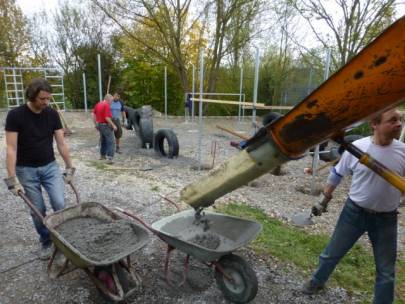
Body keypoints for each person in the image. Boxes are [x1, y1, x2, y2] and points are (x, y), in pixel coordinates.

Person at [302, 108, 405, 304]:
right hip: (354, 213)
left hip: (386, 218)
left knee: (386, 271)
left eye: (399, 120)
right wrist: (324, 199)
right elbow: (337, 173)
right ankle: (317, 281)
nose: (399, 124)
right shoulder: (357, 147)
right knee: (331, 254)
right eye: (392, 120)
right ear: (374, 124)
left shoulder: (403, 151)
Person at [4, 78, 75, 259]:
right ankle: (46, 240)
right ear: (32, 96)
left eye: (48, 99)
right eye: (42, 99)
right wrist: (12, 179)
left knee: (60, 203)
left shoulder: (51, 114)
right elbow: (11, 149)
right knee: (38, 210)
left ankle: (64, 240)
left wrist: (69, 166)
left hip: (50, 167)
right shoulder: (15, 115)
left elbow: (61, 143)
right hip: (26, 170)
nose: (46, 102)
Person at [93, 94, 117, 164]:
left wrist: (95, 124)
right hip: (105, 125)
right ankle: (110, 158)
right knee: (111, 141)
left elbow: (93, 115)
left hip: (99, 125)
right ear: (108, 99)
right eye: (111, 101)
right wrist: (113, 125)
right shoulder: (106, 105)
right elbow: (107, 118)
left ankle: (102, 155)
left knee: (103, 140)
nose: (112, 102)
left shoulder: (98, 104)